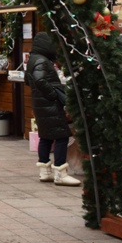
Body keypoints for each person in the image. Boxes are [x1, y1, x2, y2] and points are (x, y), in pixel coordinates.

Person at [25, 32, 80, 186]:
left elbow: (28, 80)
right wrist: (53, 94)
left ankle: (45, 172)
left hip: (41, 104)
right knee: (62, 136)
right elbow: (40, 79)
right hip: (49, 105)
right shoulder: (42, 61)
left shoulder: (33, 59)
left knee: (46, 137)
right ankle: (61, 173)